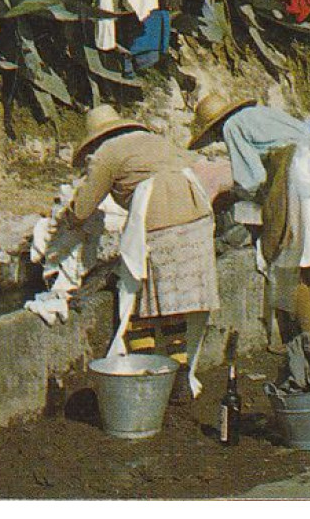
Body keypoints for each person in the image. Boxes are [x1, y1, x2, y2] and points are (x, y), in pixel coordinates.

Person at [64, 104, 227, 398]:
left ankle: (150, 375)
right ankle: (179, 376)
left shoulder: (107, 153)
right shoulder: (155, 141)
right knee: (171, 303)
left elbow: (83, 207)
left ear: (96, 139)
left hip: (160, 221)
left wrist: (66, 218)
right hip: (197, 217)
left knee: (138, 303)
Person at [190, 93, 310, 345]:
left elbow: (251, 178)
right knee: (306, 260)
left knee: (289, 258)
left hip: (299, 175)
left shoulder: (233, 126)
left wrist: (232, 195)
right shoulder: (264, 113)